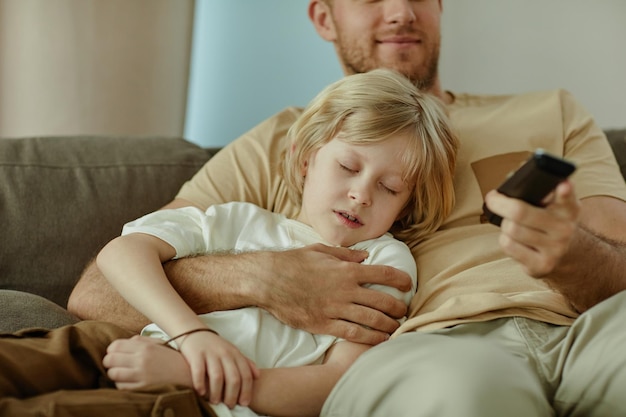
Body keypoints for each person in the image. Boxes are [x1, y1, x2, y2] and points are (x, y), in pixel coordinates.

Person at [67, 0, 626, 416]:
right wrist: (261, 279)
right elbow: (99, 293)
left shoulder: (552, 111)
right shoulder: (283, 142)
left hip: (593, 327)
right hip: (441, 344)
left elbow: (617, 270)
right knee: (467, 393)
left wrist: (570, 251)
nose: (402, 12)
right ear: (324, 18)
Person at [0, 69, 458, 417]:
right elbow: (123, 252)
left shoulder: (383, 262)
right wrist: (191, 334)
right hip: (118, 346)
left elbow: (337, 382)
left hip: (198, 401)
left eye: (390, 187)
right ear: (305, 160)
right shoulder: (238, 219)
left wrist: (191, 373)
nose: (362, 193)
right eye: (348, 167)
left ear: (407, 205)